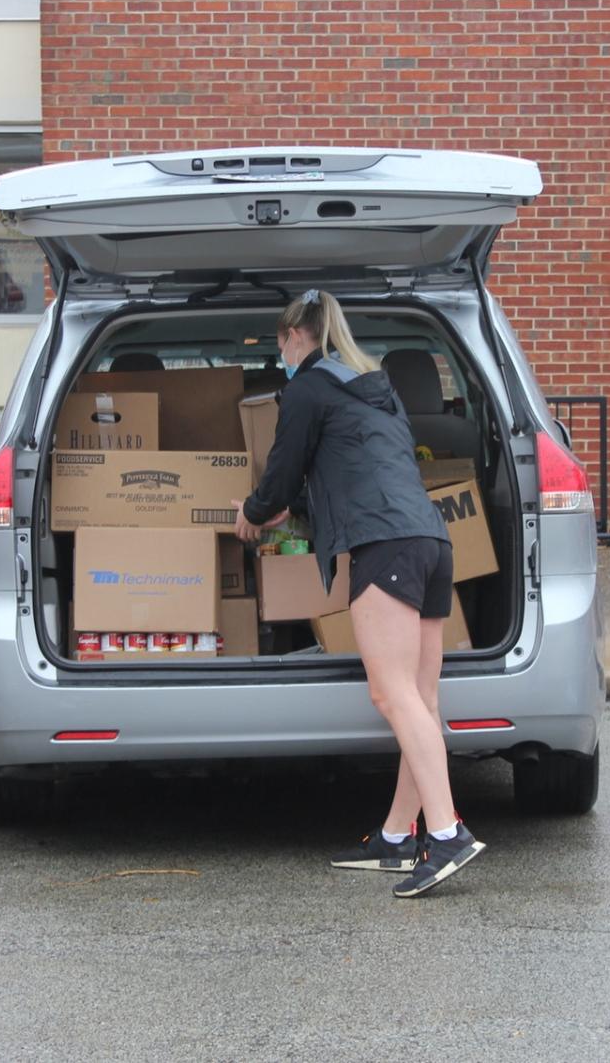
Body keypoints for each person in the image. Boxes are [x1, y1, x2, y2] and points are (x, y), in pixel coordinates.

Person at [232, 289, 486, 897]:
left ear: (297, 336)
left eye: (280, 341)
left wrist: (254, 509)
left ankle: (448, 833)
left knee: (392, 693)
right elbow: (349, 468)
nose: (280, 352)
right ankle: (399, 838)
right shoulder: (376, 389)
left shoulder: (307, 390)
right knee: (419, 701)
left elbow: (283, 472)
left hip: (385, 546)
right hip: (431, 541)